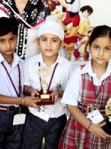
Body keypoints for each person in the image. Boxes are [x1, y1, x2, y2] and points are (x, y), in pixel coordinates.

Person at [58, 25, 111, 148]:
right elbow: (71, 105)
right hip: (80, 126)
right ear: (88, 47)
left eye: (107, 49)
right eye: (96, 47)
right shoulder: (79, 73)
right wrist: (90, 126)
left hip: (105, 129)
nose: (100, 53)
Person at [0, 17, 39, 149]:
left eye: (11, 39)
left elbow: (24, 87)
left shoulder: (23, 64)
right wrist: (23, 101)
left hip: (17, 114)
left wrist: (30, 91)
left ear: (17, 38)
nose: (8, 45)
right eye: (2, 41)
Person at [21, 16, 73, 149]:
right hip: (34, 117)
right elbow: (25, 86)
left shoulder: (67, 66)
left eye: (54, 40)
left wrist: (59, 93)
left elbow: (72, 92)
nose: (48, 45)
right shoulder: (30, 63)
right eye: (44, 40)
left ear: (61, 43)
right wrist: (30, 91)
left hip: (57, 118)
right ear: (38, 42)